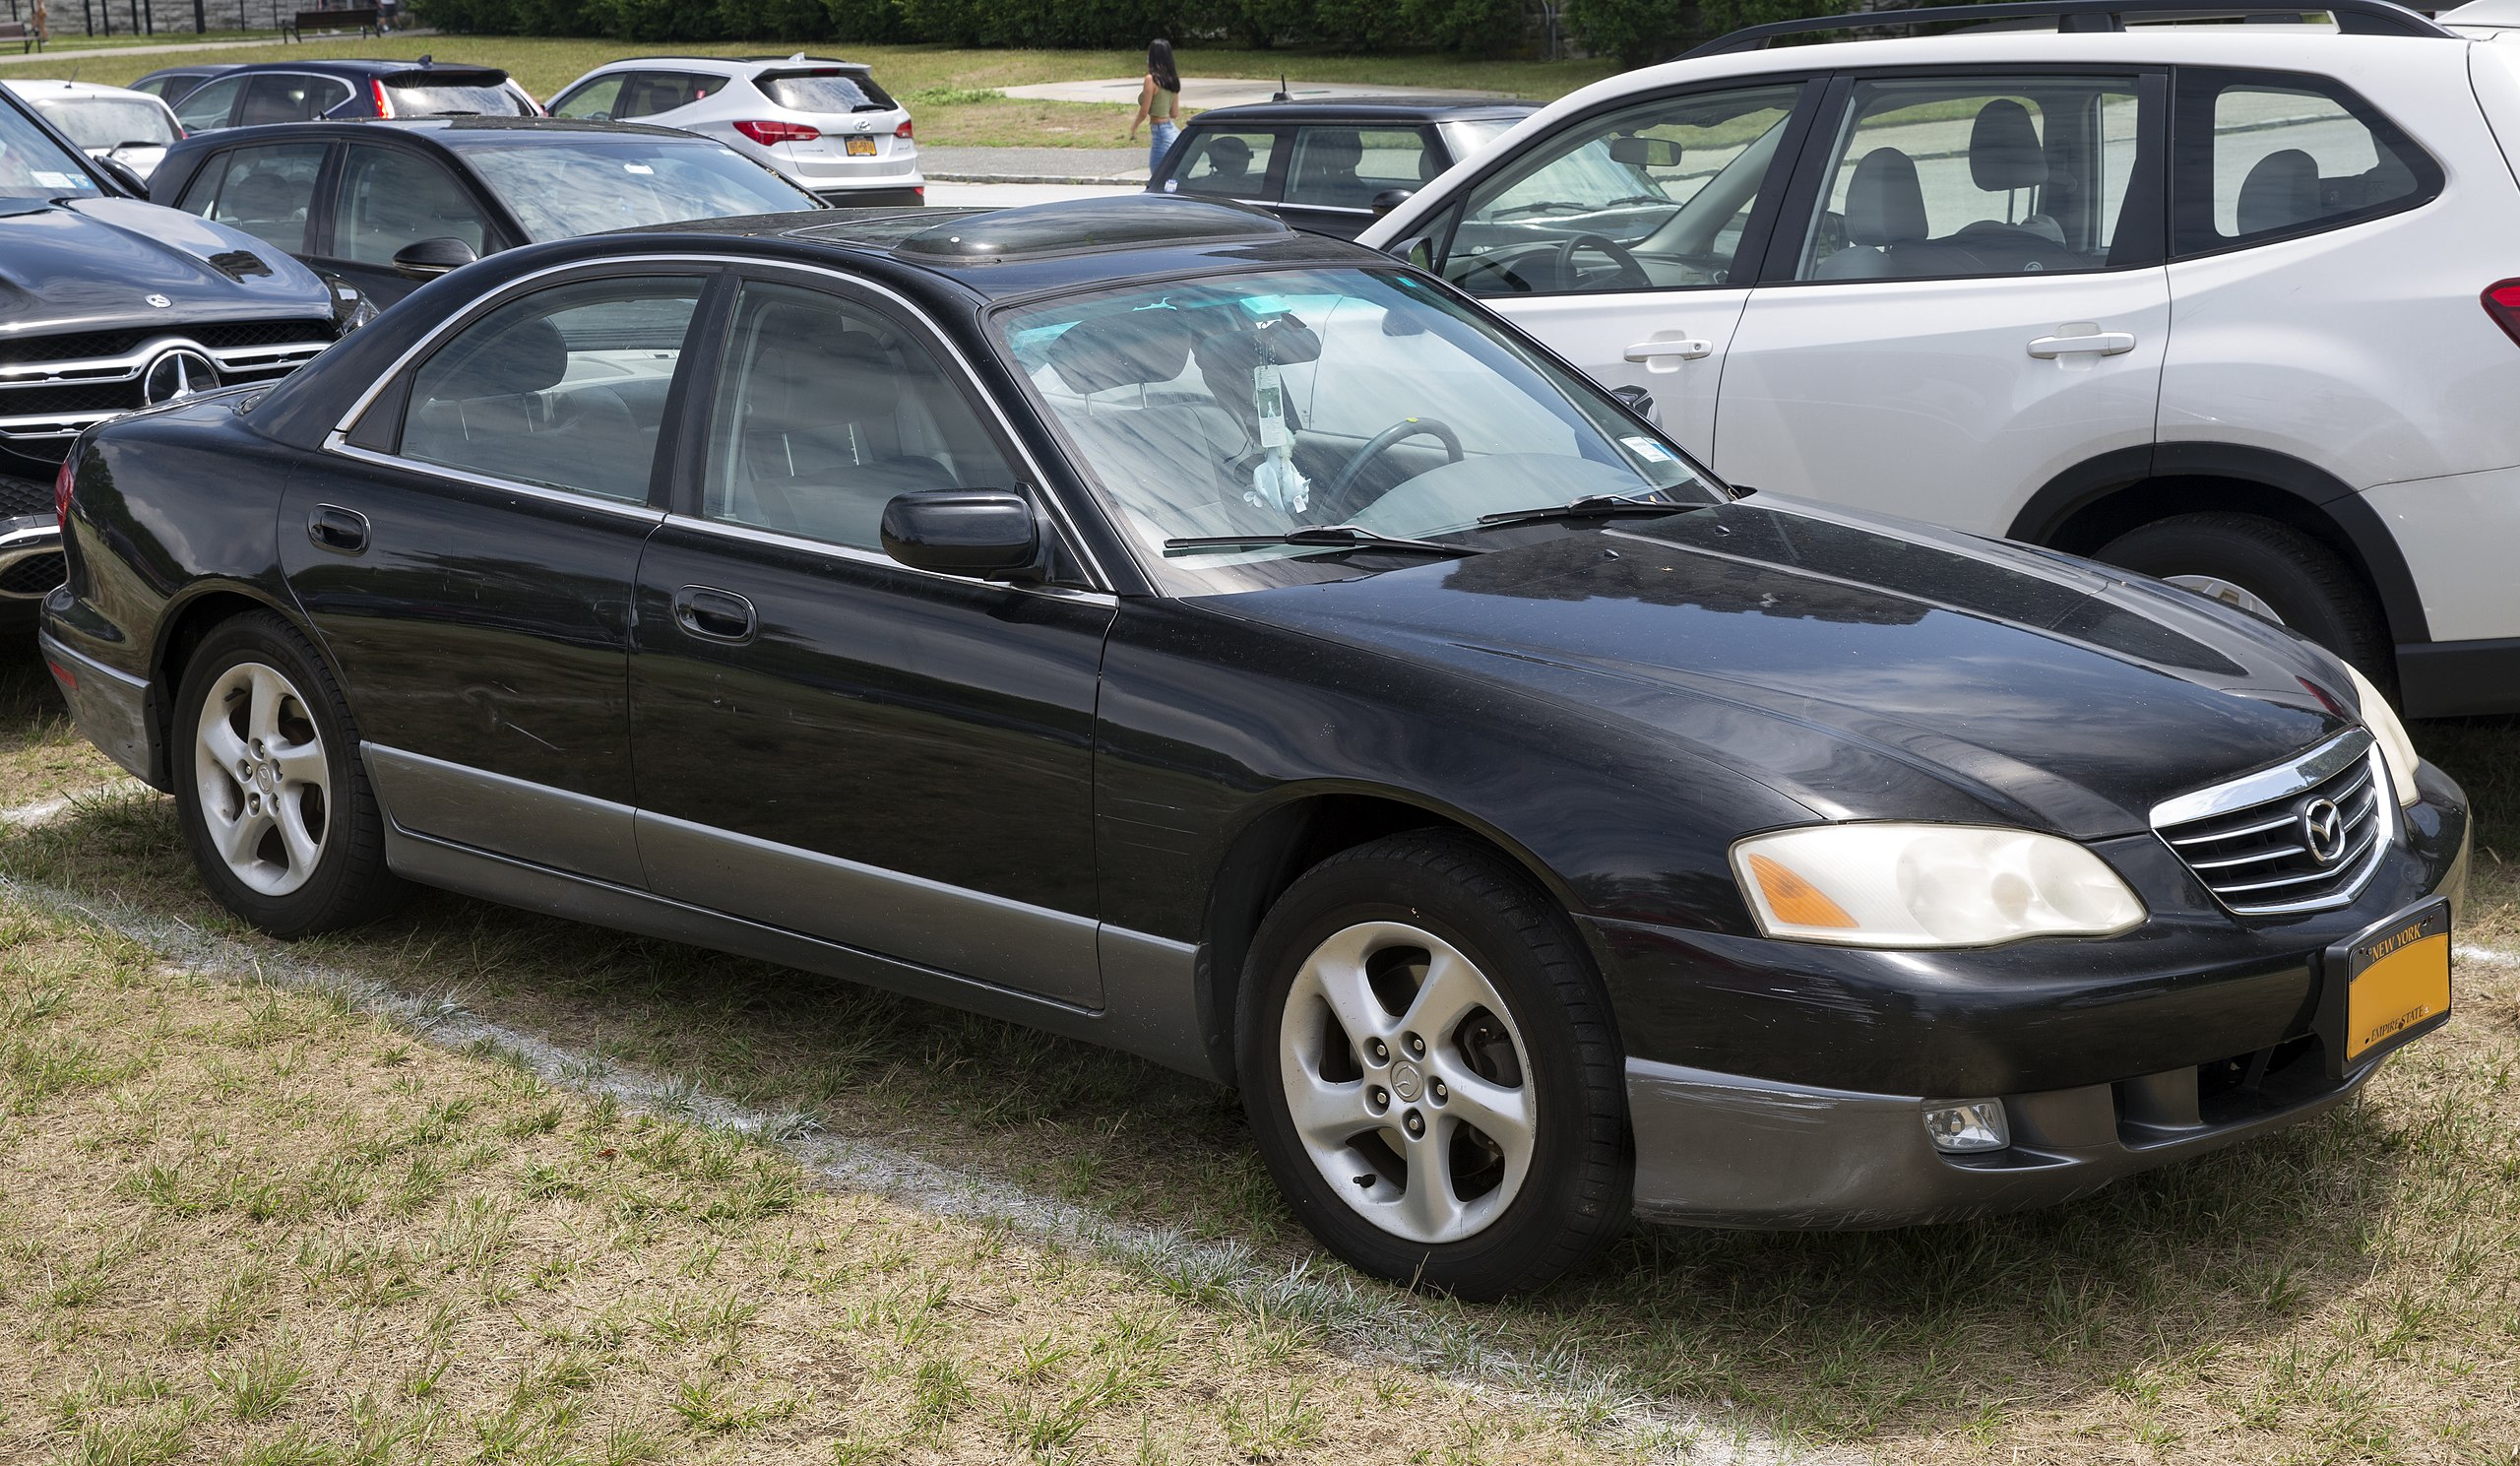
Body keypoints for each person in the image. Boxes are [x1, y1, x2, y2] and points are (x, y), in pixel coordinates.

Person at [1129, 38, 1182, 177]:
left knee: (1157, 179)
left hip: (1160, 133)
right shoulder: (1173, 79)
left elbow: (1144, 111)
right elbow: (1175, 113)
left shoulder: (1151, 80)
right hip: (1173, 131)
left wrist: (1134, 127)